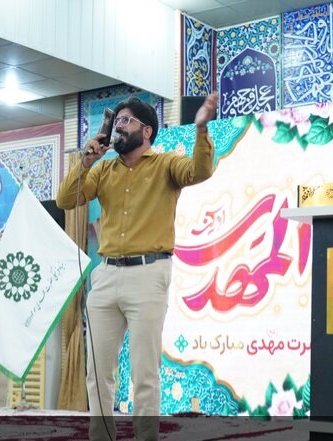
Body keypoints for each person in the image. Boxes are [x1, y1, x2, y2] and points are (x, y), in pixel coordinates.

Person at [56, 92, 218, 441]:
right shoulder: (103, 170)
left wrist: (201, 129)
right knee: (97, 374)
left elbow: (200, 171)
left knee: (144, 374)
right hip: (106, 275)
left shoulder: (166, 164)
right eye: (116, 121)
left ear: (146, 131)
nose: (118, 127)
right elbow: (65, 199)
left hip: (148, 274)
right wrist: (85, 162)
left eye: (125, 121)